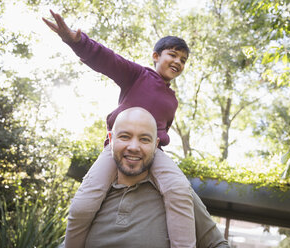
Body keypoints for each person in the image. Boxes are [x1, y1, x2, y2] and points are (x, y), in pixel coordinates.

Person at [43, 10, 195, 248]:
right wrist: (76, 41)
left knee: (180, 190)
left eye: (183, 60)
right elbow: (107, 59)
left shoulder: (173, 101)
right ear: (156, 56)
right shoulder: (138, 75)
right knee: (84, 203)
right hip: (117, 151)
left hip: (153, 154)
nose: (177, 62)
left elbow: (162, 133)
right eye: (173, 55)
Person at [84, 107, 230, 247]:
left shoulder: (177, 195)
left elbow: (217, 244)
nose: (134, 147)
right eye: (125, 136)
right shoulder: (93, 195)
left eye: (145, 139)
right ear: (111, 139)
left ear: (156, 145)